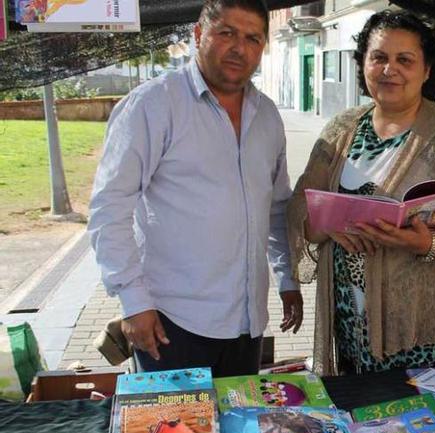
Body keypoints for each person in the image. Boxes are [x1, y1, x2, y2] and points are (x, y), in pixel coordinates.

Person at [88, 0, 302, 377]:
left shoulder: (267, 115)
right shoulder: (153, 105)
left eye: (252, 38)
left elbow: (277, 207)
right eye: (227, 33)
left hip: (246, 322)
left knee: (240, 430)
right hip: (170, 324)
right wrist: (134, 302)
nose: (239, 47)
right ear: (199, 35)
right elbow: (110, 210)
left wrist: (287, 279)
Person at [287, 10, 435, 375]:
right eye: (379, 57)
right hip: (348, 321)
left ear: (426, 69)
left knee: (418, 422)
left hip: (421, 331)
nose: (390, 69)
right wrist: (328, 226)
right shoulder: (341, 129)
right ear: (363, 65)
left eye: (405, 59)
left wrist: (426, 243)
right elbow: (301, 209)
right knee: (360, 418)